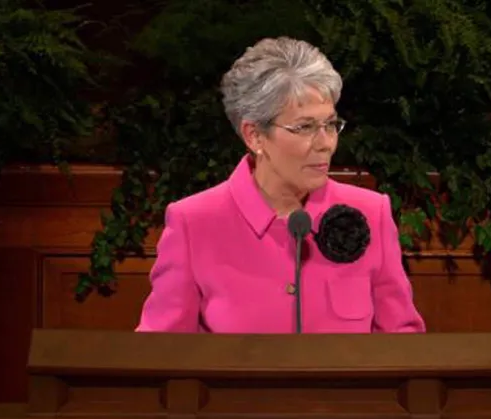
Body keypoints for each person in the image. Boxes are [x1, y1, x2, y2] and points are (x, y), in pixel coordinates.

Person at [135, 37, 426, 334]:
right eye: (305, 127)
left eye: (330, 125)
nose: (326, 144)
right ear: (255, 136)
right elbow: (160, 352)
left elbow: (403, 341)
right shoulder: (193, 223)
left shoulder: (372, 212)